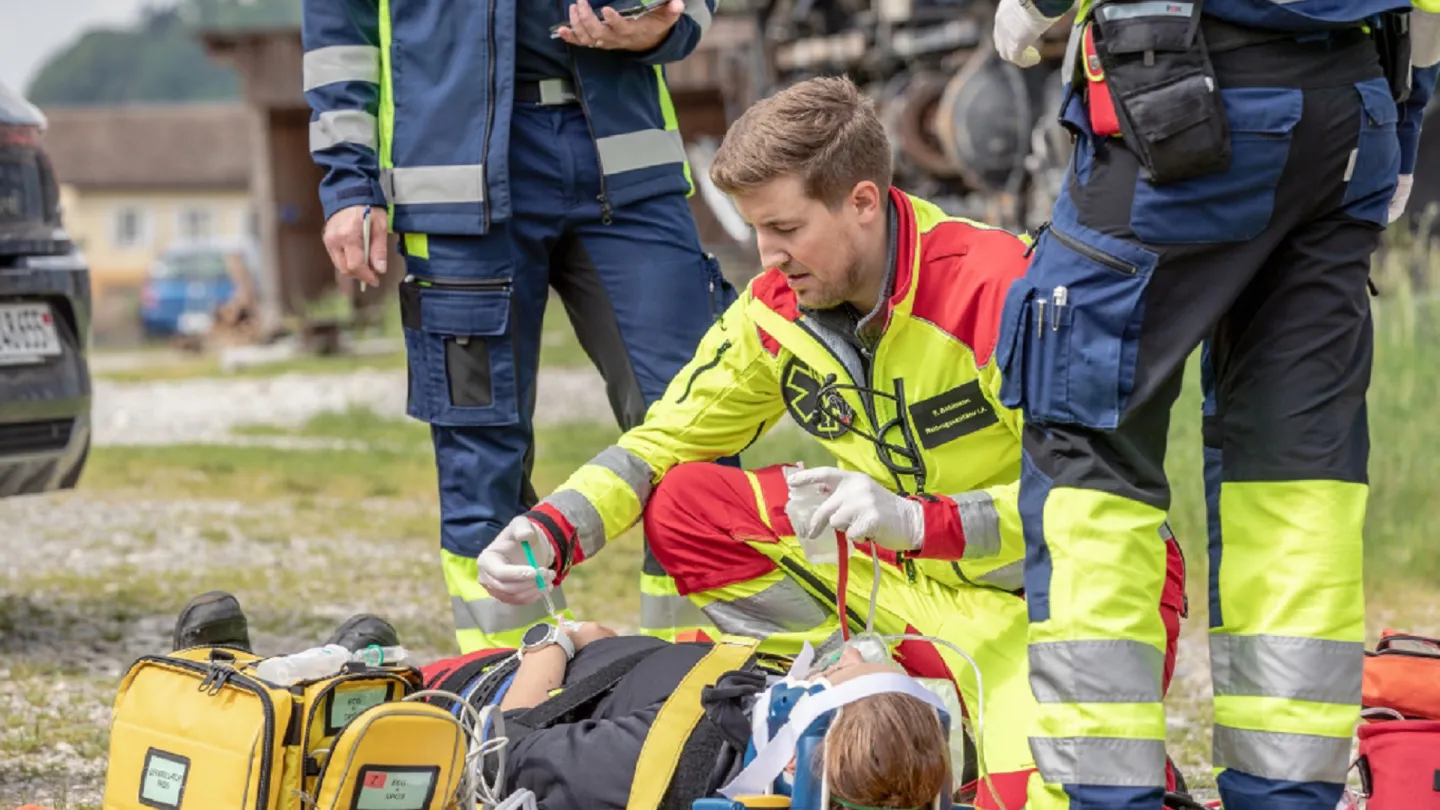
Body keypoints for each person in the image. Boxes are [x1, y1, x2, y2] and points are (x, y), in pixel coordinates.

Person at [471, 75, 1191, 809]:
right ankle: (855, 693)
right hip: (921, 584)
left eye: (786, 229)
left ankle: (990, 738)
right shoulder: (775, 311)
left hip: (1057, 590)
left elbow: (1088, 501)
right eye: (755, 229)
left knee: (1043, 799)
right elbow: (661, 443)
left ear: (863, 203)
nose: (767, 255)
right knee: (689, 506)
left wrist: (919, 521)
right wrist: (553, 528)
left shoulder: (999, 289)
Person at [987, 0, 1440, 805]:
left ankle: (1105, 794)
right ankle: (1287, 794)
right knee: (1296, 474)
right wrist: (1409, 108)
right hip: (1352, 111)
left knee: (1088, 438)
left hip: (1183, 100)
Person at [301, 0, 731, 652]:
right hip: (456, 180)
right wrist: (349, 182)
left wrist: (673, 22)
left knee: (700, 416)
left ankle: (704, 677)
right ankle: (515, 691)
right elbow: (340, 30)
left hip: (624, 158)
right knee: (481, 459)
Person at [168, 590, 961, 810]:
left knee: (329, 705)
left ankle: (226, 678)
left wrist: (557, 639)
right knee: (370, 654)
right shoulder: (761, 716)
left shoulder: (667, 764)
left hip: (490, 695)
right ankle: (338, 663)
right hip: (592, 666)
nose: (849, 656)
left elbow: (499, 748)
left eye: (843, 671)